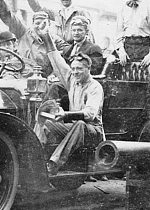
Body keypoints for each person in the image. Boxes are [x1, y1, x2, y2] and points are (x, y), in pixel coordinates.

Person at [36, 32, 104, 176]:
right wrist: (47, 36)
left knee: (80, 124)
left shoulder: (95, 87)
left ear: (88, 69)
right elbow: (58, 62)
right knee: (46, 123)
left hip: (92, 131)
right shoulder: (72, 79)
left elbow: (90, 114)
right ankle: (36, 156)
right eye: (73, 69)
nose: (75, 72)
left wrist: (65, 114)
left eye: (79, 69)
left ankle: (55, 162)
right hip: (74, 129)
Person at [0, 0, 66, 77]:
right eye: (37, 23)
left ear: (49, 24)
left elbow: (64, 58)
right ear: (32, 24)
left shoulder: (56, 41)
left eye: (44, 23)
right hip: (19, 75)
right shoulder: (23, 32)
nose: (40, 26)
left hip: (43, 80)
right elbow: (7, 16)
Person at [23, 0, 94, 44]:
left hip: (77, 49)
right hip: (61, 49)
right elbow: (37, 8)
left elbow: (88, 32)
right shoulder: (56, 13)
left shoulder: (81, 12)